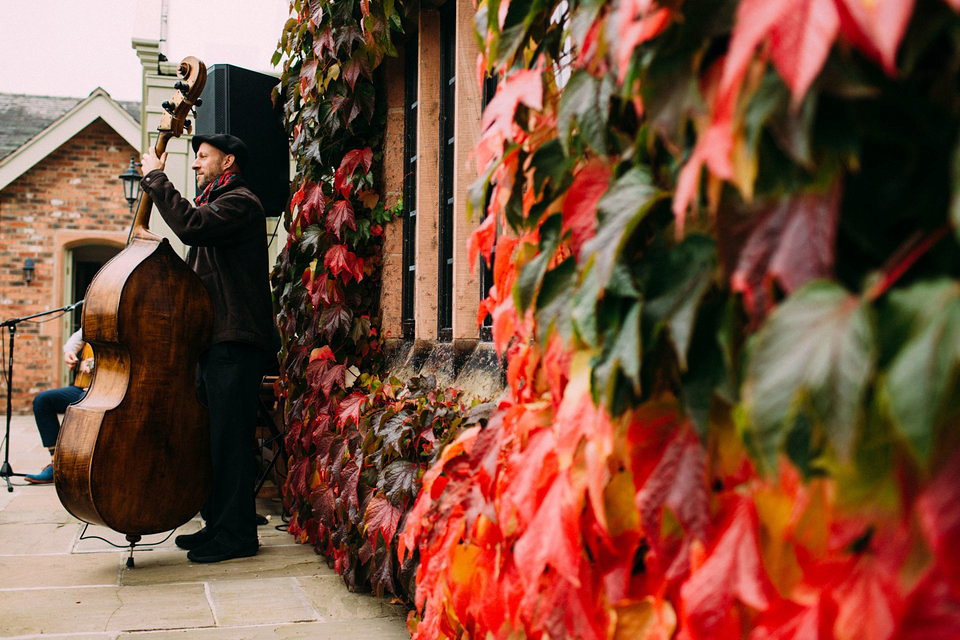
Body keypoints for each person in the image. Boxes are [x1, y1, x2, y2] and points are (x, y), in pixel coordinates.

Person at [139, 133, 275, 564]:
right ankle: (217, 524)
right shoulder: (215, 202)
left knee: (231, 440)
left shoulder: (241, 203)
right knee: (215, 440)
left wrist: (157, 179)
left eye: (203, 157)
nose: (196, 165)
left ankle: (237, 536)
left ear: (228, 160)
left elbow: (191, 229)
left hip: (236, 340)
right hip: (216, 339)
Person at [25, 329, 92, 484]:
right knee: (43, 400)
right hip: (81, 387)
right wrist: (69, 352)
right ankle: (57, 463)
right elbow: (77, 337)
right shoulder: (95, 318)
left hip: (105, 390)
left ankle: (82, 466)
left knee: (84, 404)